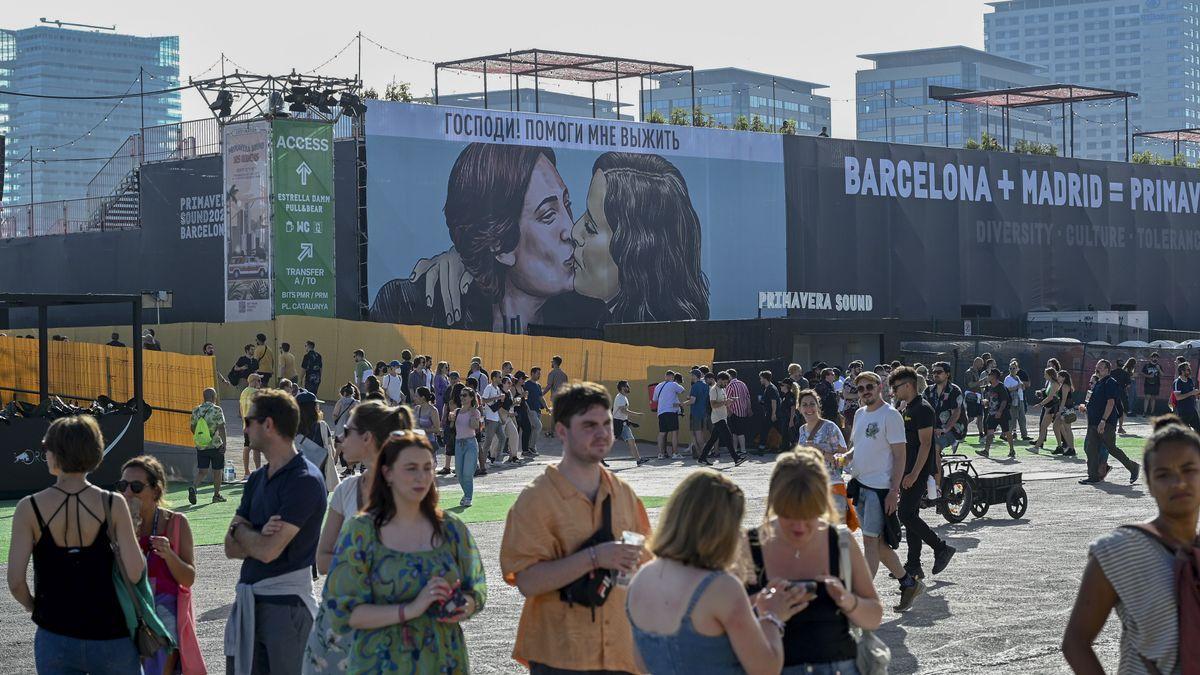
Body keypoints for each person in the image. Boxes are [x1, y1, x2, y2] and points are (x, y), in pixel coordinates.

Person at [500, 382, 652, 673]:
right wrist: (595, 557)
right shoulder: (536, 500)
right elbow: (528, 582)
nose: (602, 433)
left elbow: (641, 569)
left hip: (620, 652)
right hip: (561, 656)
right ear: (561, 431)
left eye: (606, 423)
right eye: (589, 425)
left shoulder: (625, 495)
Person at [324, 431, 486, 672]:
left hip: (443, 661)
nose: (422, 477)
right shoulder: (361, 532)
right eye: (411, 468)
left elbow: (477, 589)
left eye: (427, 468)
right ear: (387, 473)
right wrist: (411, 609)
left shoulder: (451, 529)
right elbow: (343, 612)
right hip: (380, 663)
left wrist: (462, 604)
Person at [7, 415, 147, 675]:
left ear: (56, 452)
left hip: (55, 634)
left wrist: (34, 606)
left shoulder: (29, 507)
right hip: (110, 633)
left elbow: (15, 581)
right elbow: (136, 571)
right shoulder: (113, 504)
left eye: (46, 447)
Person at [627, 470, 805, 675]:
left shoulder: (641, 579)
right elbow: (766, 668)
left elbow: (640, 663)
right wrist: (772, 616)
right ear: (722, 530)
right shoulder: (722, 587)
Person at [1062, 415, 1200, 674]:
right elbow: (1076, 642)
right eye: (1163, 474)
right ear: (1149, 483)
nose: (1178, 482)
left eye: (1189, 469)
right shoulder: (1119, 550)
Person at [742, 449, 884, 674]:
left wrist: (846, 600)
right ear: (774, 504)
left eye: (809, 515)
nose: (799, 526)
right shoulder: (749, 546)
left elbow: (874, 617)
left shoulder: (841, 542)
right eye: (788, 515)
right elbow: (725, 621)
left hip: (839, 667)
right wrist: (766, 607)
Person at [304, 401, 413, 674]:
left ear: (367, 438)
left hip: (390, 624)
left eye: (347, 430)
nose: (339, 437)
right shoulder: (347, 489)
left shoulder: (408, 492)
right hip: (342, 621)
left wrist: (351, 562)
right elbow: (322, 560)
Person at [224, 389, 328, 675]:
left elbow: (268, 551)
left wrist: (243, 531)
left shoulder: (304, 480)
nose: (244, 428)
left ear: (268, 424)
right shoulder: (257, 478)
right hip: (251, 606)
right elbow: (228, 547)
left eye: (249, 420)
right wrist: (254, 534)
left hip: (287, 610)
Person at [568, 152, 710, 324]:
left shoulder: (672, 342)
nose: (574, 232)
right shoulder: (603, 320)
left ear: (637, 249)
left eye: (590, 227)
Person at [120, 455, 205, 675]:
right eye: (123, 486)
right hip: (127, 606)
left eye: (136, 487)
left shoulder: (176, 523)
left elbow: (189, 578)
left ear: (156, 491)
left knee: (163, 627)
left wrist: (169, 555)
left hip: (163, 612)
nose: (128, 493)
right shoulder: (116, 526)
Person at [840, 372, 915, 598]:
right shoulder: (860, 414)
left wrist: (894, 491)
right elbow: (858, 446)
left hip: (879, 489)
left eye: (869, 386)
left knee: (870, 543)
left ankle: (861, 597)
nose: (865, 391)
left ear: (879, 386)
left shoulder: (890, 415)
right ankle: (908, 582)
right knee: (879, 544)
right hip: (859, 485)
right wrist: (845, 457)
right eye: (860, 388)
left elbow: (900, 456)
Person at [890, 366, 955, 589]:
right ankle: (914, 565)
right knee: (911, 515)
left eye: (896, 387)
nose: (893, 391)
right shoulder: (909, 407)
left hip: (916, 470)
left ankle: (940, 548)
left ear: (908, 385)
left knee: (905, 514)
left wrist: (914, 473)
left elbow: (926, 444)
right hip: (908, 468)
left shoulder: (923, 409)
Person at [1079, 359, 1141, 486]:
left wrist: (1103, 420)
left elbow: (1111, 403)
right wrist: (1085, 408)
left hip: (1105, 423)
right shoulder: (1098, 383)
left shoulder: (1110, 382)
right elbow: (1094, 402)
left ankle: (1133, 467)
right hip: (1093, 423)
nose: (1097, 368)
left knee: (1112, 449)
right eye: (1097, 366)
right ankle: (1093, 476)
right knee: (1091, 448)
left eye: (1100, 367)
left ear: (1107, 369)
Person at [796, 389, 851, 524]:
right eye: (804, 404)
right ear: (799, 408)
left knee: (838, 534)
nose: (809, 408)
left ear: (818, 406)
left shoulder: (829, 427)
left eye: (812, 404)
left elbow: (844, 458)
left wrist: (821, 452)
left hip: (832, 486)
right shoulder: (802, 430)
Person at [700, 371, 748, 467]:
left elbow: (723, 403)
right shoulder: (714, 390)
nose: (726, 384)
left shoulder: (722, 389)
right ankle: (736, 458)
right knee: (728, 437)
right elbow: (713, 404)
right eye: (724, 382)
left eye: (727, 382)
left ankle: (702, 458)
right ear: (719, 380)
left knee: (712, 440)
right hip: (718, 418)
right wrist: (726, 402)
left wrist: (730, 402)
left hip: (722, 417)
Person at [190, 386, 228, 504]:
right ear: (213, 397)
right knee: (217, 472)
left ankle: (194, 487)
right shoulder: (217, 410)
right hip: (215, 445)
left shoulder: (196, 410)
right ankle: (216, 495)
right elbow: (221, 427)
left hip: (201, 446)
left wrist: (201, 438)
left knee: (202, 471)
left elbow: (192, 427)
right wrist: (224, 444)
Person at [296, 390, 340, 493]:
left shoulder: (291, 427)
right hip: (319, 477)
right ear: (315, 408)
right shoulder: (322, 426)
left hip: (297, 476)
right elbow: (331, 452)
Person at [925, 361, 966, 459]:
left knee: (935, 448)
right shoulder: (928, 391)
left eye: (939, 372)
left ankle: (937, 474)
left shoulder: (954, 390)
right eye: (934, 372)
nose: (935, 374)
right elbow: (922, 408)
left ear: (947, 374)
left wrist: (945, 429)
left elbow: (956, 413)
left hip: (952, 429)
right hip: (934, 429)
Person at [450, 386, 483, 505]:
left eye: (465, 395)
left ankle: (468, 497)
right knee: (459, 473)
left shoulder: (475, 411)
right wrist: (451, 418)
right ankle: (466, 494)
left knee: (467, 473)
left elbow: (474, 427)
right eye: (461, 395)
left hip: (470, 443)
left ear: (471, 398)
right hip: (458, 444)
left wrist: (474, 415)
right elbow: (452, 427)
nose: (462, 397)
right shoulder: (457, 411)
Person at [979, 368, 1016, 459]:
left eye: (989, 375)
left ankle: (1012, 450)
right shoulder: (989, 387)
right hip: (992, 413)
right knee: (990, 431)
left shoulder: (1001, 387)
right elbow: (989, 399)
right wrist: (985, 402)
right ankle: (986, 451)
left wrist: (999, 411)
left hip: (1002, 413)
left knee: (1007, 432)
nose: (988, 376)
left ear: (994, 376)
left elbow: (1004, 401)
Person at [653, 370, 686, 459]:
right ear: (672, 377)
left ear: (665, 376)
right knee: (674, 432)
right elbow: (682, 391)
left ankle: (661, 454)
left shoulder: (658, 386)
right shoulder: (673, 384)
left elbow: (655, 399)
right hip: (671, 411)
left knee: (662, 433)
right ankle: (675, 453)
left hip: (661, 412)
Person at [613, 379, 648, 465]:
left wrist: (629, 421)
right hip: (617, 423)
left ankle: (638, 460)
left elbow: (624, 412)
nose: (628, 387)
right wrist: (637, 414)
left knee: (631, 440)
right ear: (622, 388)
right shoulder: (620, 397)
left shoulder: (623, 397)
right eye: (627, 386)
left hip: (624, 424)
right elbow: (623, 411)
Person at [1030, 366, 1063, 452]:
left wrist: (1040, 404)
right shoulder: (1050, 383)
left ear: (1050, 375)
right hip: (1049, 408)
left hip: (1052, 408)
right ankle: (1060, 447)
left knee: (1045, 427)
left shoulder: (1055, 384)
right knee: (1047, 427)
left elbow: (1050, 397)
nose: (1044, 375)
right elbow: (1048, 395)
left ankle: (1036, 447)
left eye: (1046, 374)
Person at [240, 373, 264, 479]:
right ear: (253, 381)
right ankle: (257, 471)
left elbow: (240, 409)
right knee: (254, 448)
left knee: (247, 447)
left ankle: (246, 472)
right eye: (259, 380)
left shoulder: (244, 392)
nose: (260, 383)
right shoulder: (256, 393)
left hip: (246, 422)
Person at [726, 369, 753, 460]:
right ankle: (737, 449)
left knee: (737, 432)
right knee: (737, 432)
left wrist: (728, 411)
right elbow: (748, 397)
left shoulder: (730, 385)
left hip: (734, 412)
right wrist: (749, 409)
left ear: (730, 376)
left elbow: (727, 400)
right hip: (743, 411)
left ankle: (742, 450)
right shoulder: (743, 384)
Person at [686, 369, 711, 459]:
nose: (691, 377)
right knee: (702, 434)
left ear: (695, 376)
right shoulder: (706, 386)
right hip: (704, 413)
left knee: (698, 434)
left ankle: (703, 453)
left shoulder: (695, 386)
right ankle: (702, 452)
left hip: (696, 413)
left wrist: (682, 404)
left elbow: (692, 401)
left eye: (692, 375)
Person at [414, 385, 444, 460]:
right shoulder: (417, 408)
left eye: (416, 396)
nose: (414, 398)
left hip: (429, 443)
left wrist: (423, 430)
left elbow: (437, 429)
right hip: (418, 442)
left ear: (423, 397)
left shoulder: (433, 410)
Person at [1053, 371, 1078, 457]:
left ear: (1063, 377)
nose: (1058, 378)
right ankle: (1063, 447)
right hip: (1063, 409)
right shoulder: (1063, 385)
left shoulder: (1065, 386)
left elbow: (1064, 399)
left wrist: (1060, 411)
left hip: (1066, 410)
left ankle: (1072, 449)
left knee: (1068, 429)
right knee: (1056, 425)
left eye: (1059, 376)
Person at [755, 371, 781, 453]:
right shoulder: (769, 388)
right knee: (779, 429)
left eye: (761, 378)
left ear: (765, 378)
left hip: (771, 413)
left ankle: (761, 448)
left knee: (765, 430)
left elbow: (774, 401)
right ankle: (791, 443)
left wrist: (773, 414)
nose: (760, 380)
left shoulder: (771, 388)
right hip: (770, 413)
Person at [524, 366, 547, 454]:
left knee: (534, 428)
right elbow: (523, 397)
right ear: (532, 374)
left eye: (539, 374)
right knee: (538, 426)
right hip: (531, 410)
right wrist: (527, 408)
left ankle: (530, 447)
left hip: (537, 410)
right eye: (538, 373)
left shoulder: (538, 385)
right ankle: (532, 447)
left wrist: (547, 407)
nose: (539, 375)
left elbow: (541, 397)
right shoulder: (527, 384)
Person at [1005, 360, 1030, 441]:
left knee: (1022, 418)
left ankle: (1024, 435)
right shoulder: (1007, 378)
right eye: (1010, 368)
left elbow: (1023, 387)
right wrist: (1017, 386)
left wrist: (1022, 386)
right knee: (1012, 419)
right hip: (1012, 401)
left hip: (1020, 399)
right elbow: (1007, 390)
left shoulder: (1018, 377)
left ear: (1017, 369)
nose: (1012, 370)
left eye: (1013, 368)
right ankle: (1008, 435)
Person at [1113, 357, 1135, 435]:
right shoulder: (1125, 373)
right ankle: (1120, 427)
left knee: (1112, 409)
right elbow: (1128, 385)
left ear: (1116, 364)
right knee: (1122, 411)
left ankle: (1113, 426)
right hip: (1122, 393)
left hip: (1112, 393)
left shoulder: (1112, 372)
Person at [1142, 352, 1163, 417]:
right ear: (1151, 358)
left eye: (1156, 357)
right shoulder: (1147, 365)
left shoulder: (1159, 366)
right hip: (1148, 383)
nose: (1155, 358)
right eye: (1154, 357)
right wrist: (1148, 376)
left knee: (1153, 398)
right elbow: (1142, 373)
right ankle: (1144, 412)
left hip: (1156, 384)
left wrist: (1159, 369)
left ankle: (1152, 412)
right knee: (1147, 397)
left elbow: (1162, 375)